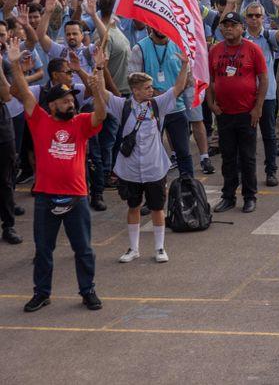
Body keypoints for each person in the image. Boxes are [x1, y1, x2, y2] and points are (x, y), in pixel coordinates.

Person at [4, 39, 107, 313]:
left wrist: (97, 87)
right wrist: (14, 63)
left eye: (72, 99)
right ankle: (42, 293)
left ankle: (88, 291)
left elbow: (101, 114)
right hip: (46, 197)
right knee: (43, 251)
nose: (70, 103)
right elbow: (24, 93)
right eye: (63, 101)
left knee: (83, 249)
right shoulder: (39, 120)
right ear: (51, 106)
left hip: (76, 196)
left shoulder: (81, 123)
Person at [106, 56, 191, 265]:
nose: (151, 90)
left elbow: (178, 87)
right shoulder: (122, 106)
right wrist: (99, 68)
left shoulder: (156, 105)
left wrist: (184, 65)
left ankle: (159, 248)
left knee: (157, 208)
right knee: (133, 207)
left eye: (151, 87)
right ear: (135, 91)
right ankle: (133, 249)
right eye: (146, 88)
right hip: (131, 170)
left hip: (154, 168)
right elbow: (101, 93)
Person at [207, 12, 268, 214]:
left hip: (246, 113)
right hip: (224, 113)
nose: (228, 29)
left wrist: (258, 108)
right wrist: (211, 104)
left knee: (248, 157)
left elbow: (263, 79)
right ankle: (228, 196)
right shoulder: (215, 50)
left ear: (242, 28)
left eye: (233, 25)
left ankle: (250, 196)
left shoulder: (252, 49)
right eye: (225, 25)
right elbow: (211, 80)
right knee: (228, 158)